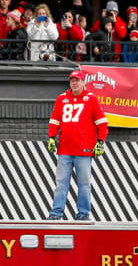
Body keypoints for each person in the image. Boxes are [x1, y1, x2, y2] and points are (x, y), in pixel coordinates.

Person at [46, 69, 108, 221]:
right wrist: (52, 137)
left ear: (83, 82)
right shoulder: (61, 99)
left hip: (84, 149)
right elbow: (55, 120)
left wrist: (100, 141)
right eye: (72, 80)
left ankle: (83, 213)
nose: (74, 83)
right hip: (65, 149)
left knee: (84, 184)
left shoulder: (91, 99)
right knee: (61, 183)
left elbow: (102, 123)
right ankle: (56, 212)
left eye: (77, 80)